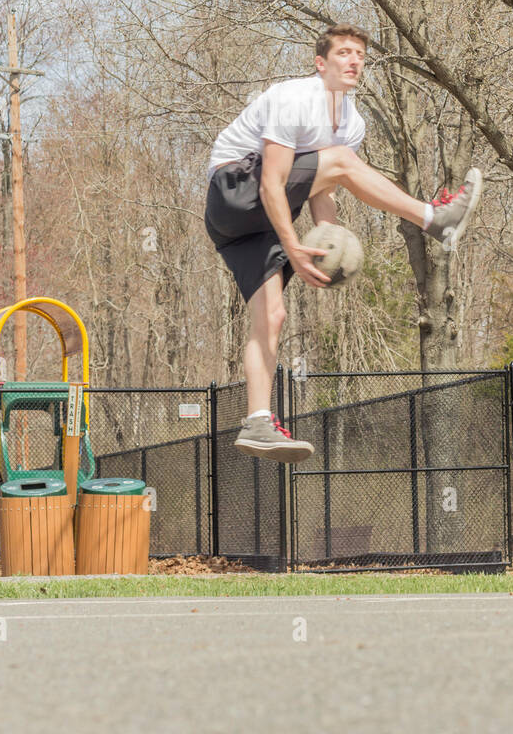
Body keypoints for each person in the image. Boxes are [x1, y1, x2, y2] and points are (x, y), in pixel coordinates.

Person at [204, 24, 482, 461]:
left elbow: (322, 189)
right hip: (235, 190)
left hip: (247, 229)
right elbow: (273, 185)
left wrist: (324, 250)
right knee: (343, 162)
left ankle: (257, 420)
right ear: (321, 63)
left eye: (360, 56)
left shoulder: (351, 122)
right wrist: (293, 244)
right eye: (344, 53)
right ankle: (435, 218)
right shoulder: (296, 98)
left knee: (272, 316)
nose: (354, 61)